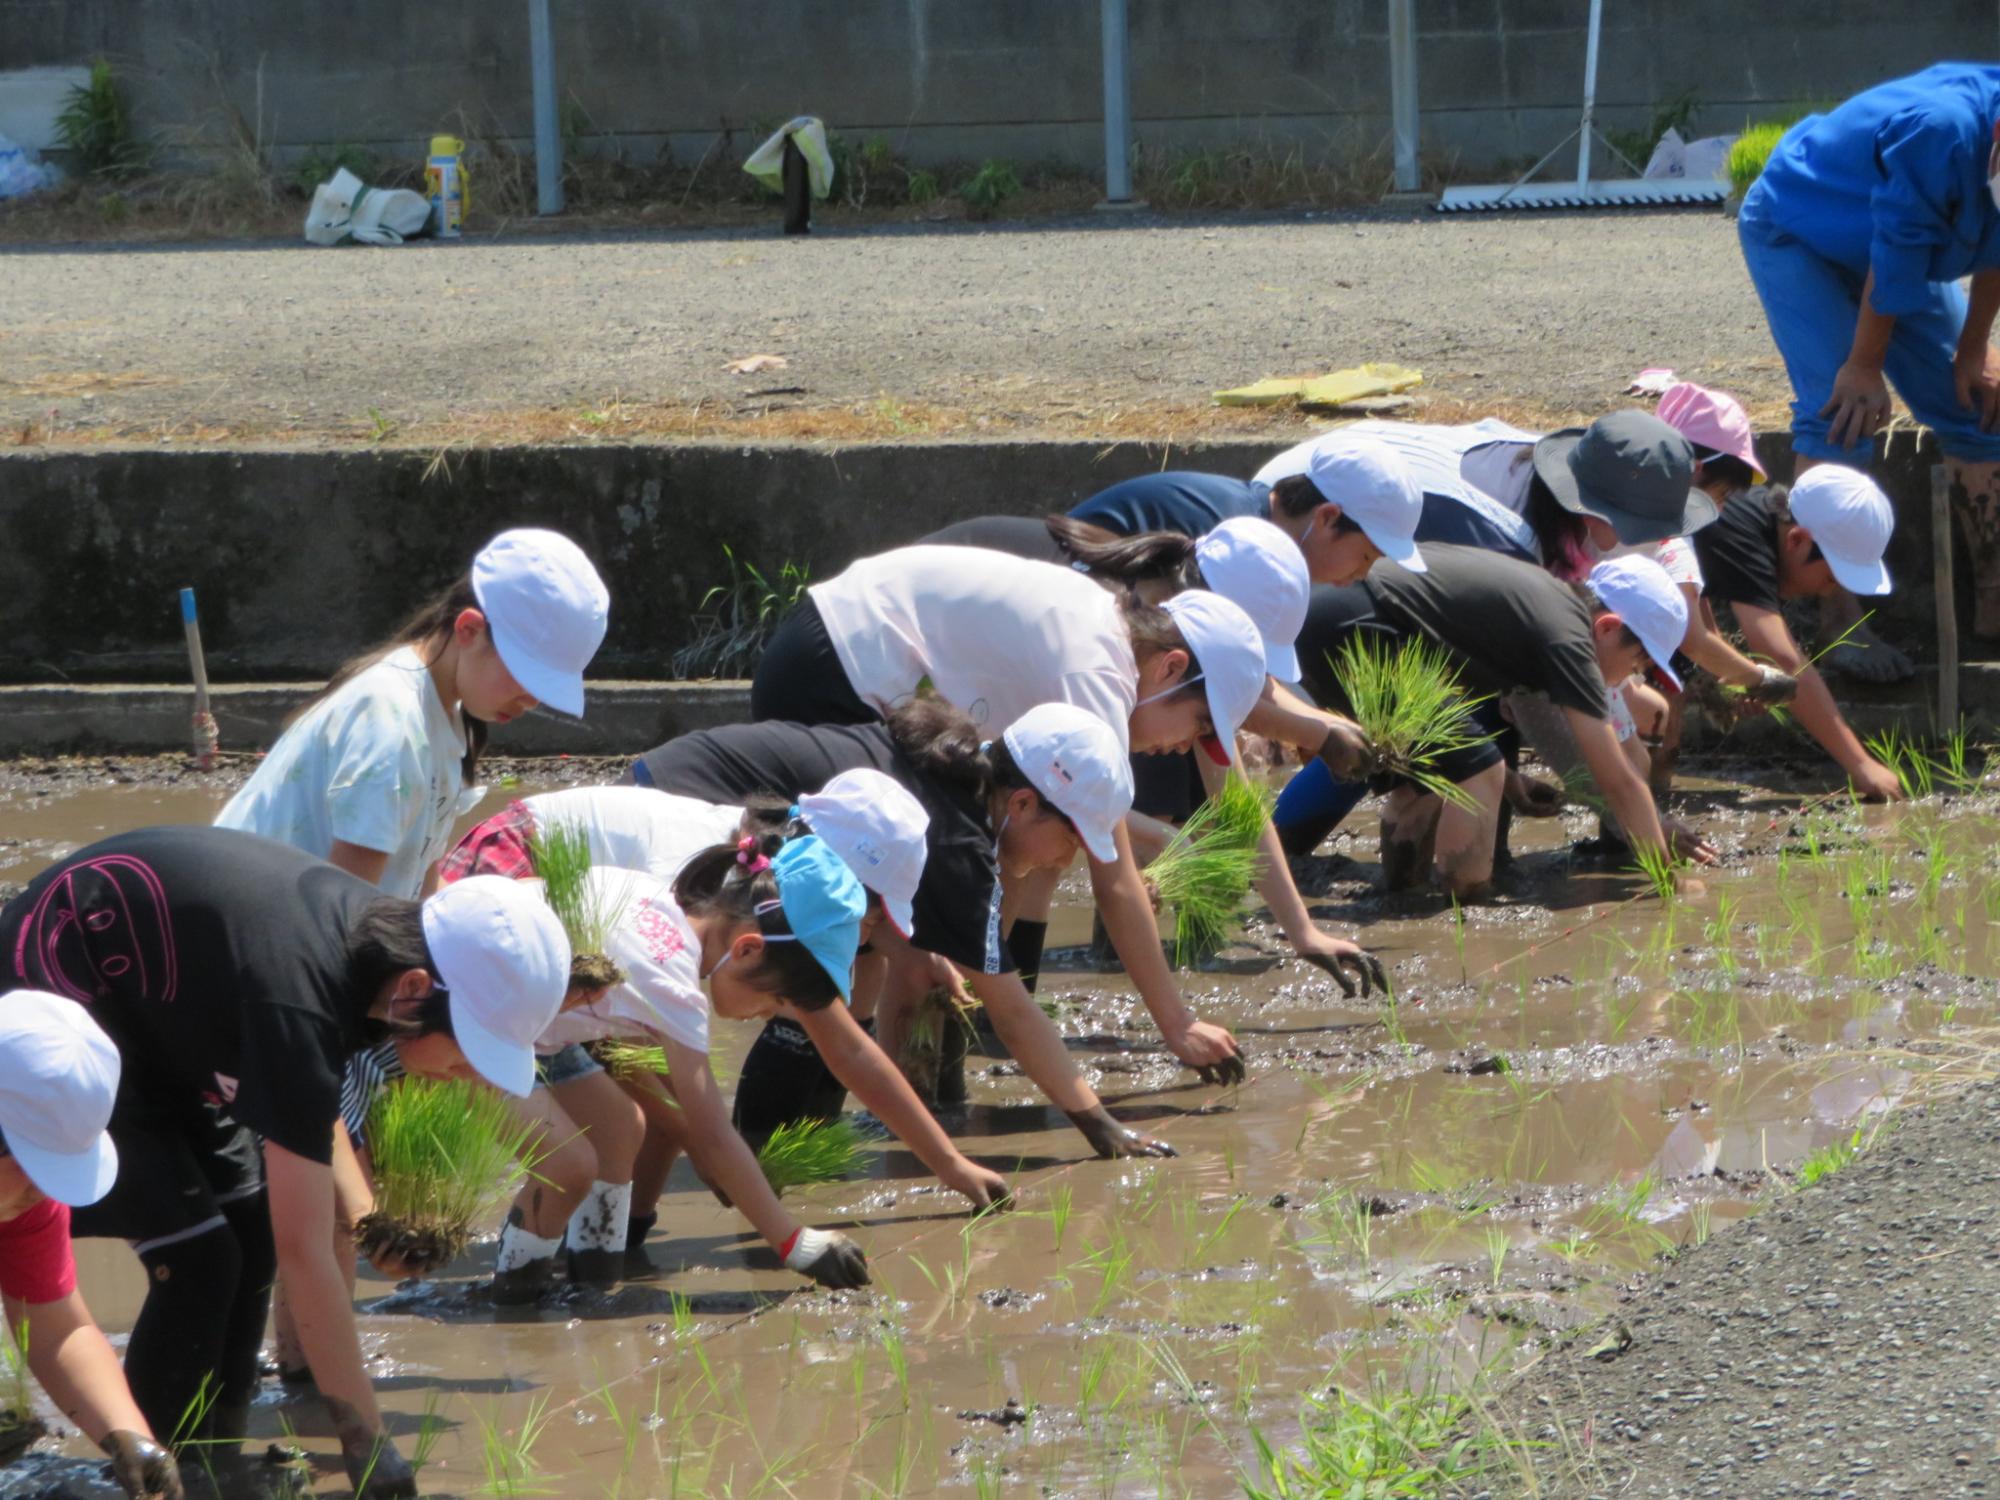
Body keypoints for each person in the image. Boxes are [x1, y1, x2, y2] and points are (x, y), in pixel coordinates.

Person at [1, 827, 571, 1499]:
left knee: (247, 1227)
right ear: (416, 990)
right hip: (69, 1008)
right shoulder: (302, 986)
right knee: (197, 1256)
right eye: (470, 1051)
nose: (470, 1078)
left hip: (167, 1025)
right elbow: (309, 1251)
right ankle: (146, 1473)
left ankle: (196, 1458)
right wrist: (365, 1441)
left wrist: (362, 1213)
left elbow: (304, 1110)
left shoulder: (363, 955)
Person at [215, 526, 609, 1373]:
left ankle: (317, 1372)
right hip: (283, 980)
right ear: (469, 630)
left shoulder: (450, 719)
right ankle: (311, 1383)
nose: (530, 703)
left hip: (375, 977)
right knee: (322, 1213)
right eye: (526, 677)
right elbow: (338, 925)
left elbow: (419, 893)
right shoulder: (389, 722)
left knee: (560, 1156)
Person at [428, 781, 1012, 1296]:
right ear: (748, 949)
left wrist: (952, 1165)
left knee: (620, 1129)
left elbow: (839, 1051)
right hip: (453, 1021)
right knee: (571, 1159)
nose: (767, 1016)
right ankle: (516, 1298)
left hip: (515, 1004)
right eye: (775, 1002)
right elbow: (709, 1127)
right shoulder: (676, 975)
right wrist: (793, 1241)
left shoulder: (700, 898)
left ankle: (594, 1277)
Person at [750, 545, 1269, 1083]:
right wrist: (1178, 1024)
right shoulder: (1099, 676)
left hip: (826, 647)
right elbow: (1114, 883)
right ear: (1171, 667)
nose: (1186, 745)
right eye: (1199, 723)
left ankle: (898, 1115)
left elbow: (1010, 858)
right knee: (884, 937)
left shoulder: (1105, 636)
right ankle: (873, 1125)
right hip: (837, 668)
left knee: (895, 936)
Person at [622, 699, 1180, 1164]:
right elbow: (1011, 1012)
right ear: (1024, 802)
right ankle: (751, 1161)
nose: (1072, 856)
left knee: (855, 957)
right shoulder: (959, 845)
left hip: (667, 780)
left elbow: (894, 938)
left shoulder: (956, 778)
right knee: (770, 987)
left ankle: (786, 1154)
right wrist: (1098, 1123)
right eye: (1073, 837)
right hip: (675, 811)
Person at [920, 510, 1393, 984]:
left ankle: (997, 1003)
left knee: (1046, 842)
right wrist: (1170, 843)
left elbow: (1234, 799)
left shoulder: (1157, 654)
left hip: (956, 671)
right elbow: (1084, 827)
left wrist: (1302, 930)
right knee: (1030, 830)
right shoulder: (1104, 657)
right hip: (917, 663)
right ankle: (986, 1005)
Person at [1738, 64, 2000, 657]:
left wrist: (1975, 345)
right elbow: (1896, 246)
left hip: (1897, 247)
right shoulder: (1944, 131)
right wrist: (1862, 366)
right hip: (1799, 229)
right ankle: (1839, 618)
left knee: (1982, 406)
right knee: (1842, 413)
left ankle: (1992, 605)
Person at [1284, 547, 1697, 895]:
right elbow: (1617, 779)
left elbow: (1551, 735)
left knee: (1430, 777)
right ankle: (1464, 907)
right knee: (1480, 770)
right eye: (1639, 659)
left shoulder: (1550, 611)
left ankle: (1403, 899)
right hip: (1359, 632)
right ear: (1608, 628)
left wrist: (1515, 786)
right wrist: (1667, 880)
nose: (1632, 675)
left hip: (1333, 620)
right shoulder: (1568, 639)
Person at [0, 993, 181, 1500]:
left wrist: (131, 1439)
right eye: (36, 1166)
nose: (47, 1191)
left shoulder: (21, 1199)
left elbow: (58, 1327)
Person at [1691, 464, 1904, 801]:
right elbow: (1781, 654)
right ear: (1798, 540)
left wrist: (1729, 673)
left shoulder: (1750, 514)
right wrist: (1861, 764)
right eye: (1832, 578)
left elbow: (1691, 592)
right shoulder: (1736, 525)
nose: (1824, 591)